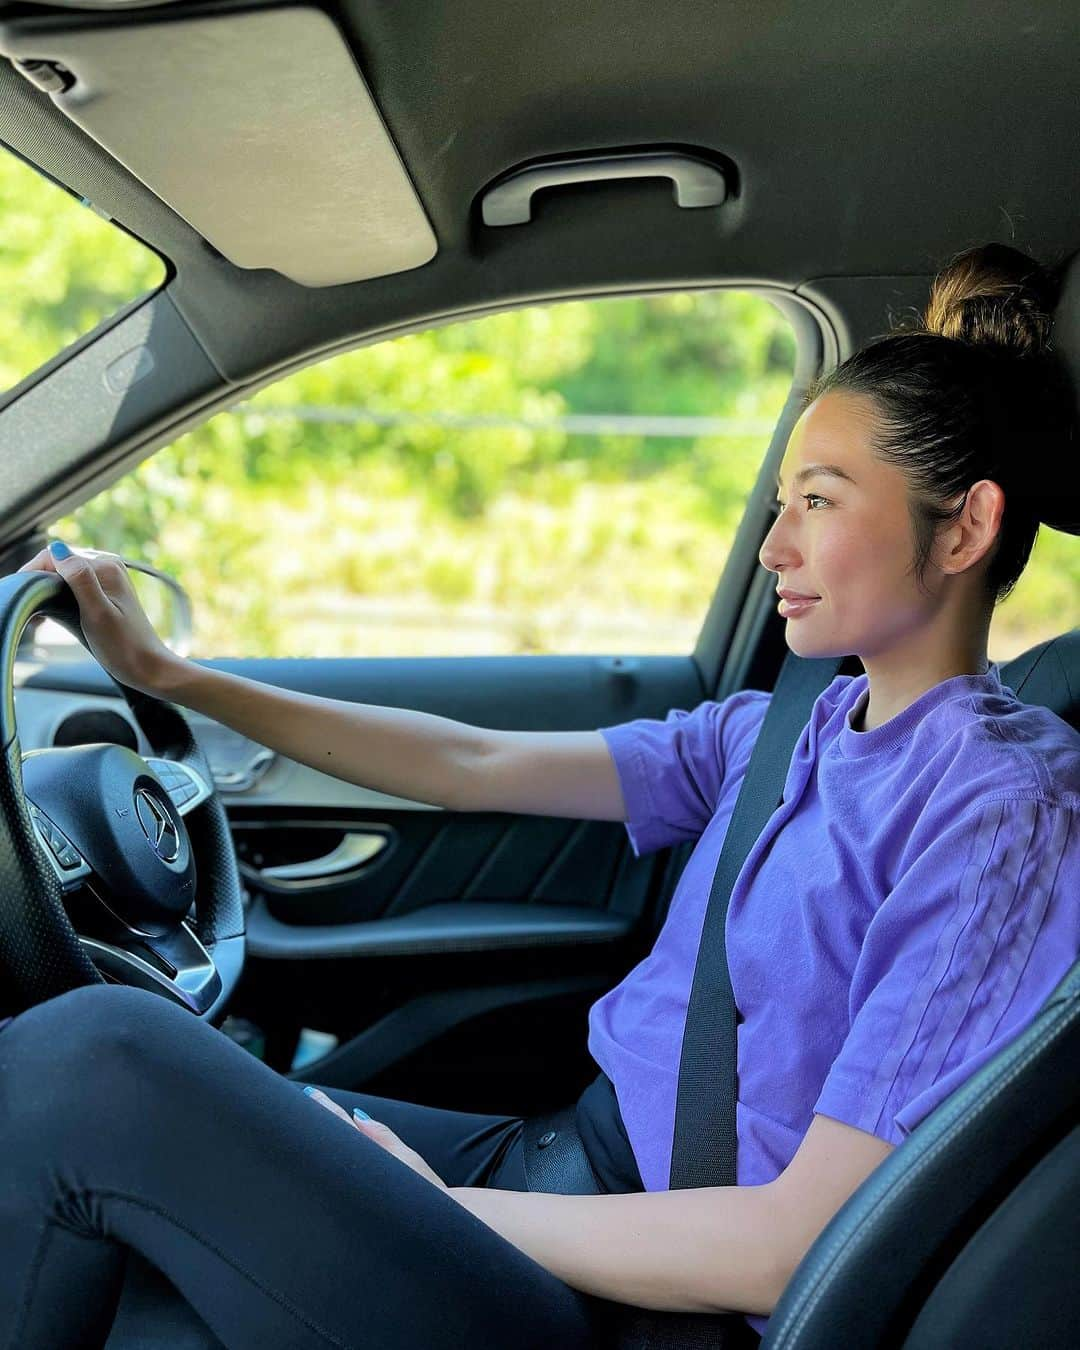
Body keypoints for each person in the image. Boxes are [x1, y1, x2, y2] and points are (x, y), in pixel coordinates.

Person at [2, 241, 1079, 1350]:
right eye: (779, 504)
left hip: (645, 1306)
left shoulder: (998, 816)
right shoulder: (782, 736)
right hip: (558, 1172)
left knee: (98, 1064)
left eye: (817, 501)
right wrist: (174, 678)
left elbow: (799, 1246)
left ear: (964, 527)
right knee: (167, 1103)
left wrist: (445, 1210)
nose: (772, 546)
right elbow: (471, 764)